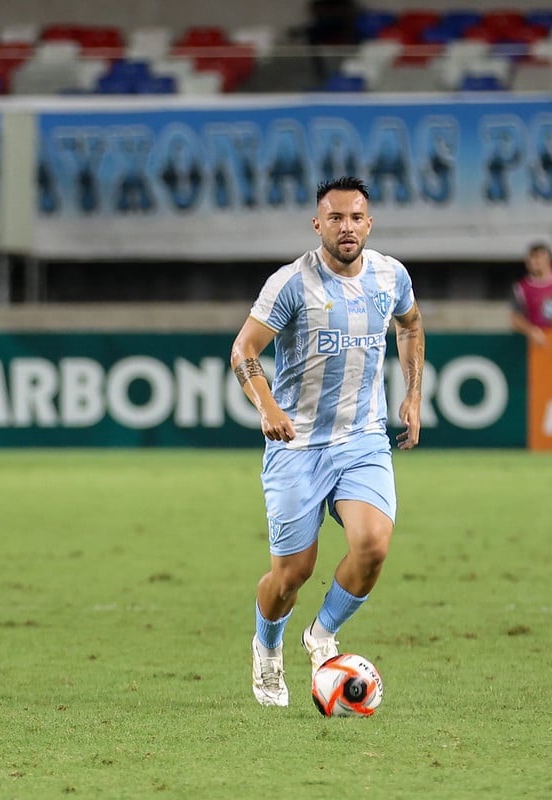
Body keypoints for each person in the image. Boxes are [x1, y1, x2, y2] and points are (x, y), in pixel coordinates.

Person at [230, 176, 425, 707]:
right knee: (291, 574)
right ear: (318, 224)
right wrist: (267, 407)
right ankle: (267, 649)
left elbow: (410, 326)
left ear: (369, 222)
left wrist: (412, 396)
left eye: (356, 217)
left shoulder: (391, 275)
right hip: (298, 445)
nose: (347, 227)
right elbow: (244, 348)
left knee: (373, 545)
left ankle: (321, 637)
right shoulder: (291, 283)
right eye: (335, 218)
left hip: (362, 439)